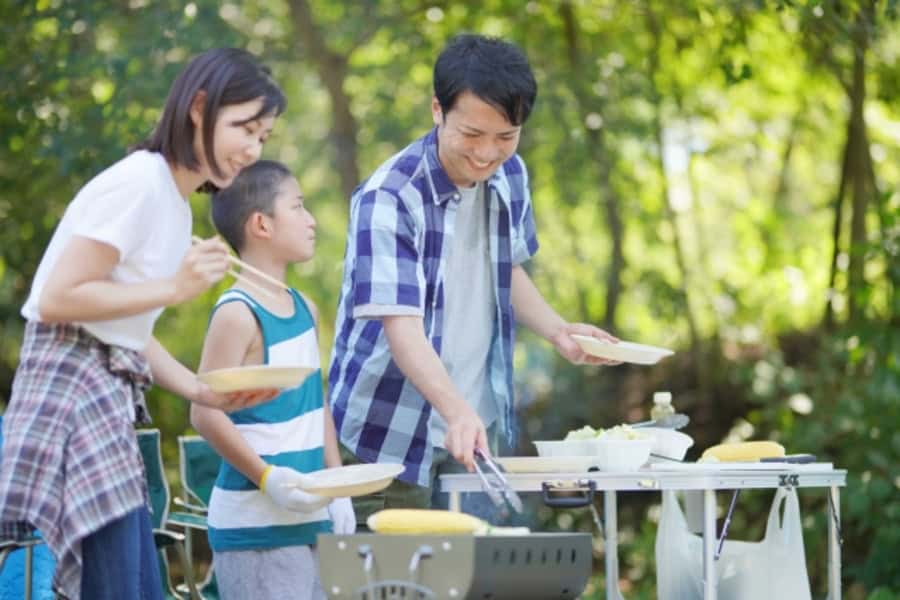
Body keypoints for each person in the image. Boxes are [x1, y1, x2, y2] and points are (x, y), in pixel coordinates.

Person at [0, 48, 286, 600]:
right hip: (71, 396)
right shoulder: (139, 183)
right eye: (244, 128)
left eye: (263, 137)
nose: (251, 149)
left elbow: (127, 325)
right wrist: (175, 288)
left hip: (102, 400)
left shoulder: (174, 204)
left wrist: (202, 391)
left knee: (134, 584)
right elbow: (57, 297)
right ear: (199, 108)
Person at [327, 33, 618, 523]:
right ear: (437, 110)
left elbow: (506, 269)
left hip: (473, 432)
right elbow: (402, 328)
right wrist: (455, 410)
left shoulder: (510, 175)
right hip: (387, 435)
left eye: (505, 137)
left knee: (478, 578)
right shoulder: (390, 197)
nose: (487, 154)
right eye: (472, 134)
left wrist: (557, 330)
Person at [192, 160, 355, 600]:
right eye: (298, 207)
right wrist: (268, 479)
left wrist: (337, 488)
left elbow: (314, 400)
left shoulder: (304, 307)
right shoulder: (237, 312)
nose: (311, 219)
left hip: (313, 520)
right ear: (262, 224)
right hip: (255, 529)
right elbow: (203, 412)